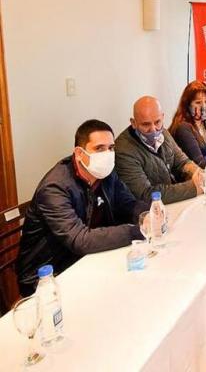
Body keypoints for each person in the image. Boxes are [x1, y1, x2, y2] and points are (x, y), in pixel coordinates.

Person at [16, 120, 150, 296]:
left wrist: (148, 214)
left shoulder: (106, 174)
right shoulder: (55, 188)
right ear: (79, 153)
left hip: (88, 259)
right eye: (99, 148)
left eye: (111, 148)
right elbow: (80, 240)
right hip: (48, 277)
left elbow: (128, 204)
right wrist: (136, 231)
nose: (108, 154)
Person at [115, 96, 204, 204]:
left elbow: (182, 161)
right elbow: (145, 195)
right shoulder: (124, 151)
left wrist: (196, 172)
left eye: (157, 122)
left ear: (162, 117)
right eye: (146, 124)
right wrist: (193, 188)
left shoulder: (164, 133)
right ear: (133, 123)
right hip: (151, 211)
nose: (153, 129)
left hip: (173, 201)